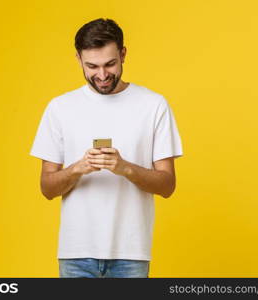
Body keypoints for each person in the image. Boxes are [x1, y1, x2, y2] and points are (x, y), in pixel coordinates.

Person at [29, 18, 183, 278]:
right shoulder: (60, 108)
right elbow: (47, 188)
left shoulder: (153, 105)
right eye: (92, 66)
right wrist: (78, 169)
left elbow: (167, 185)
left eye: (110, 64)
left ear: (123, 54)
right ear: (78, 59)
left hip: (131, 254)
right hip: (76, 254)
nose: (102, 75)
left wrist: (125, 168)